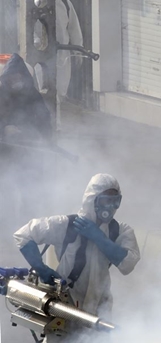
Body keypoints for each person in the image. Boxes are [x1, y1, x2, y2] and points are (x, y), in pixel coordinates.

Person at [14, 174, 140, 340]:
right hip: (65, 304)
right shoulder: (69, 225)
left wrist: (99, 238)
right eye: (104, 201)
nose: (110, 207)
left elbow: (128, 264)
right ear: (92, 199)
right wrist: (41, 268)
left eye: (115, 201)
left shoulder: (120, 231)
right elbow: (24, 234)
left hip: (99, 308)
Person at [35, 0, 84, 122]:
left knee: (60, 92)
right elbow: (30, 32)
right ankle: (54, 127)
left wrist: (78, 50)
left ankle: (52, 125)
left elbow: (74, 29)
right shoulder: (35, 6)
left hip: (63, 56)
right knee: (46, 91)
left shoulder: (66, 5)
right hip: (42, 57)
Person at [0, 53, 52, 142]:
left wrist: (42, 139)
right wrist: (4, 129)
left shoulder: (32, 94)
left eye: (17, 78)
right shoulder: (2, 94)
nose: (14, 81)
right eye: (11, 78)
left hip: (28, 142)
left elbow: (44, 119)